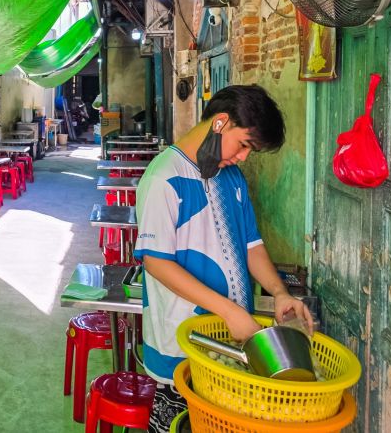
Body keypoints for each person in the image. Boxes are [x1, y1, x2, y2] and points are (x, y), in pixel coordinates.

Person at [133, 85, 314, 432]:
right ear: (220, 124)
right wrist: (230, 311)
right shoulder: (164, 178)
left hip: (228, 341)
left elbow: (252, 246)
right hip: (181, 344)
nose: (244, 157)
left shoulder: (231, 177)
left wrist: (278, 292)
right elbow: (156, 263)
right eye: (244, 144)